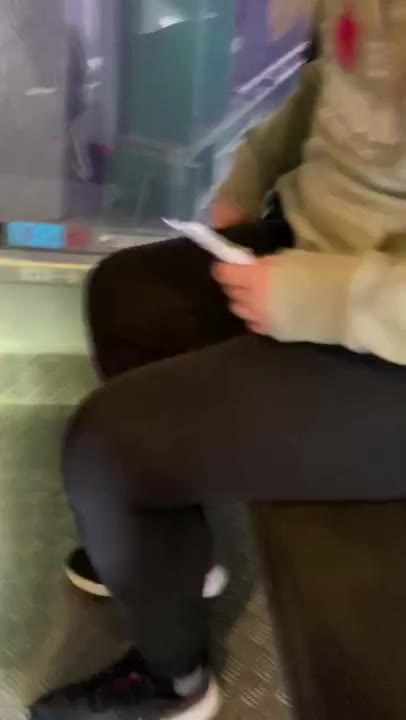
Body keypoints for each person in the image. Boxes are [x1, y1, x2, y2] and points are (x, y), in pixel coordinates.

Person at [30, 3, 406, 719]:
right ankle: (176, 564)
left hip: (386, 344)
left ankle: (173, 686)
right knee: (125, 296)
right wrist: (249, 178)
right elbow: (335, 81)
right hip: (326, 255)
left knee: (108, 453)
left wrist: (316, 299)